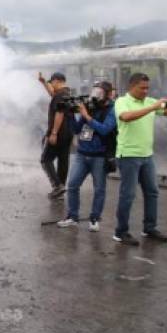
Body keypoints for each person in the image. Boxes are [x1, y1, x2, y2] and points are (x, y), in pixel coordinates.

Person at [112, 72, 167, 245]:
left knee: (152, 192)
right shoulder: (122, 102)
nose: (146, 91)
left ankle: (149, 228)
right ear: (132, 86)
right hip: (128, 155)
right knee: (128, 195)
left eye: (147, 88)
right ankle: (120, 232)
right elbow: (126, 117)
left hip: (147, 155)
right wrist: (153, 107)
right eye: (142, 88)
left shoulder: (150, 101)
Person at [57, 82, 117, 232]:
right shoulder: (89, 106)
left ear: (108, 94)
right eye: (94, 92)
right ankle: (72, 217)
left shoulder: (112, 109)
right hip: (82, 154)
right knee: (72, 185)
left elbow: (104, 130)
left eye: (99, 92)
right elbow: (77, 129)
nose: (95, 95)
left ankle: (95, 219)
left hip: (100, 156)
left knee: (99, 189)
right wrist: (70, 114)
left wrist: (86, 116)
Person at [41, 72, 75, 199]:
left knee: (45, 159)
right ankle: (61, 188)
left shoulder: (60, 96)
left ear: (57, 81)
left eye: (52, 82)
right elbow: (52, 94)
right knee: (63, 160)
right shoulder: (66, 93)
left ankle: (57, 186)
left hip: (59, 133)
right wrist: (44, 83)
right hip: (68, 133)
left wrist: (54, 133)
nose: (51, 85)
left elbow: (59, 113)